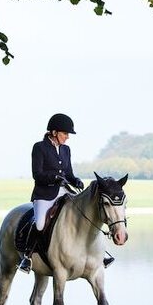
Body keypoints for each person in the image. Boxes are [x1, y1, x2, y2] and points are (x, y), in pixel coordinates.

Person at [18, 113, 115, 272]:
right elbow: (37, 174)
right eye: (65, 133)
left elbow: (68, 172)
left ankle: (99, 253)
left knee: (83, 216)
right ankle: (28, 257)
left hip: (65, 191)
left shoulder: (66, 149)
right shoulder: (39, 147)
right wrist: (54, 177)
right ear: (54, 132)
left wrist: (75, 179)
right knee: (41, 224)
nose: (67, 137)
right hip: (45, 194)